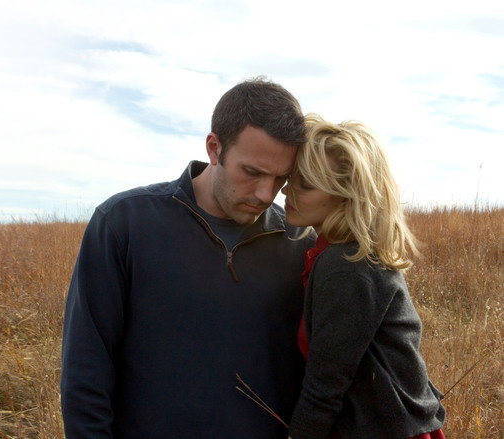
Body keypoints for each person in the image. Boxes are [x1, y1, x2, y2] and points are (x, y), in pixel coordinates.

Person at [61, 77, 317, 439]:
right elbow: (86, 368)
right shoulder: (124, 224)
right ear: (214, 147)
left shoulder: (300, 242)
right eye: (252, 172)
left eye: (281, 179)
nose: (265, 194)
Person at [281, 114, 446, 439]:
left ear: (346, 195)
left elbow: (324, 388)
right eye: (291, 178)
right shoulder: (345, 253)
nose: (286, 189)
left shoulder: (346, 264)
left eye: (305, 184)